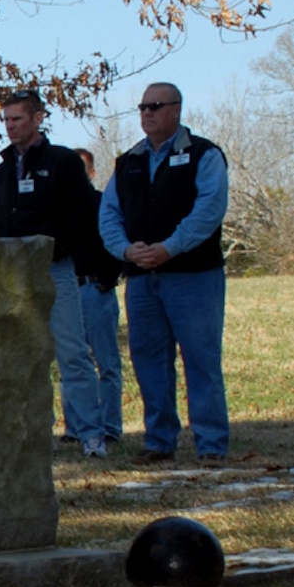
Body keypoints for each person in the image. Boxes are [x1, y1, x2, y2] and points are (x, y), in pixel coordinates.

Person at [99, 83, 230, 465]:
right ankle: (159, 441)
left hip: (193, 276)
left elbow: (210, 209)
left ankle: (211, 445)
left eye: (155, 106)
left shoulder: (203, 155)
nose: (147, 113)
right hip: (141, 278)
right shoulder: (128, 162)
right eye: (142, 107)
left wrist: (169, 247)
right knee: (149, 359)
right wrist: (126, 249)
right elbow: (108, 214)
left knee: (200, 358)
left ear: (176, 109)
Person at [0, 90, 109, 458]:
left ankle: (90, 435)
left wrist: (54, 247)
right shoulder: (4, 169)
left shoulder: (62, 162)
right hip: (14, 276)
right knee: (22, 356)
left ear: (38, 119)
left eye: (17, 119)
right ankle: (31, 434)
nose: (10, 126)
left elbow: (83, 215)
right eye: (6, 120)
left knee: (72, 353)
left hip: (55, 269)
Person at [75, 145, 125, 445]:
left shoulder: (103, 204)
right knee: (75, 364)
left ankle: (110, 427)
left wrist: (108, 279)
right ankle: (76, 427)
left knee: (106, 363)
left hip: (97, 290)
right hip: (67, 291)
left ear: (92, 173)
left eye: (81, 170)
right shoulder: (58, 211)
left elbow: (119, 240)